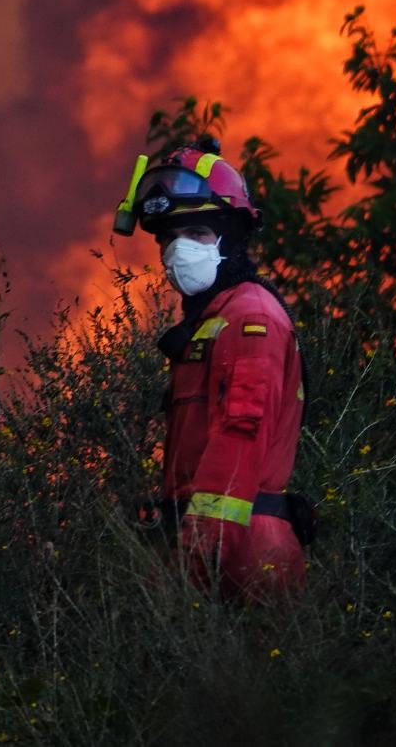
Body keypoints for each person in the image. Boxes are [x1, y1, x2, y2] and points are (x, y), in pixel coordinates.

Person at [114, 137, 309, 603]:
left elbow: (238, 437)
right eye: (169, 238)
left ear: (232, 237)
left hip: (241, 553)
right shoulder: (213, 320)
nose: (178, 251)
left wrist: (196, 558)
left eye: (197, 234)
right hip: (216, 545)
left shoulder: (250, 319)